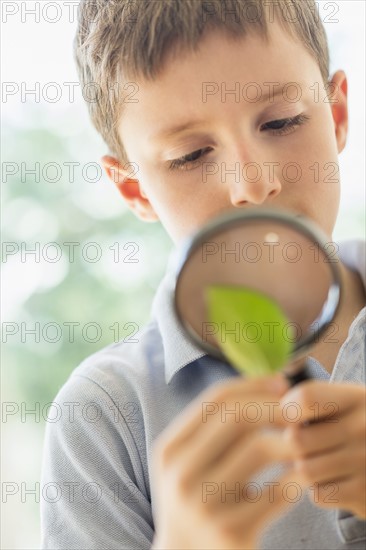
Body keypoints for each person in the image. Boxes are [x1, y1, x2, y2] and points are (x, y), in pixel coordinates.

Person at [40, 1, 366, 548]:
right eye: (191, 155)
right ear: (135, 190)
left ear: (336, 116)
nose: (252, 185)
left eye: (282, 121)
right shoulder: (104, 418)